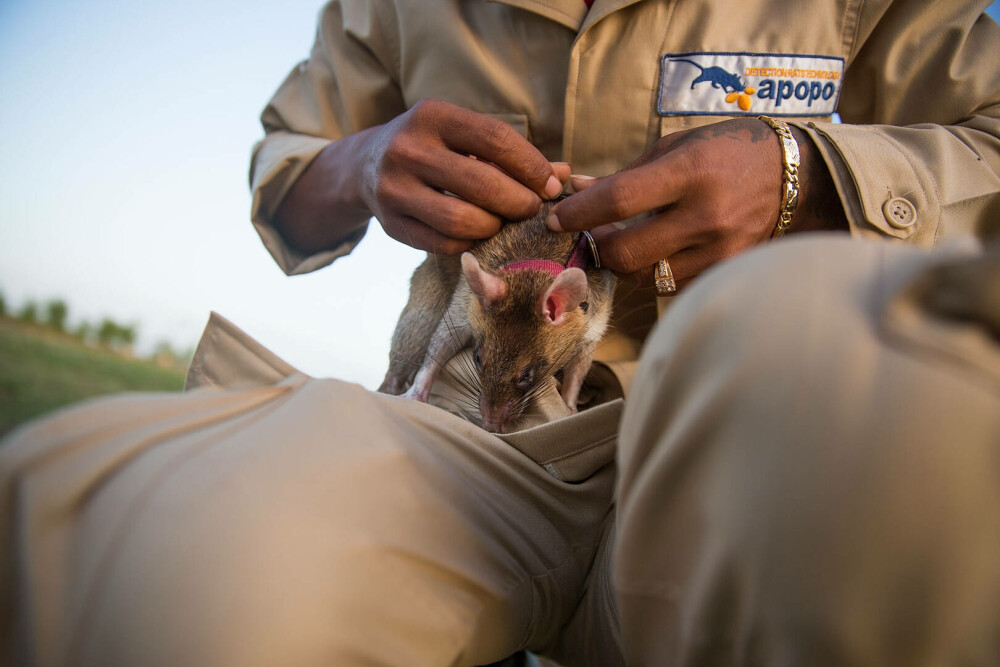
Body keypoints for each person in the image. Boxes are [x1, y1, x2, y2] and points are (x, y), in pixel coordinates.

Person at [2, 1, 999, 665]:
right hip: (459, 439)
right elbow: (286, 167)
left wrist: (808, 175)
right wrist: (359, 164)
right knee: (130, 535)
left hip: (739, 423)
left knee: (925, 454)